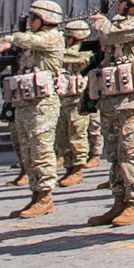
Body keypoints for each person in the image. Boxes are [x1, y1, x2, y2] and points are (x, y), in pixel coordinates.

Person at [87, 0, 134, 227]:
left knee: (129, 152)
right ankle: (119, 200)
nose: (117, 5)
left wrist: (101, 20)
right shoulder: (120, 23)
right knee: (114, 153)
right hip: (111, 98)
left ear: (132, 4)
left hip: (132, 101)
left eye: (120, 2)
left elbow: (111, 34)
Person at [0, 0, 65, 218]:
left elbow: (29, 40)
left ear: (45, 19)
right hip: (26, 103)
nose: (29, 22)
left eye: (33, 18)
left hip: (43, 105)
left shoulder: (52, 36)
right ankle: (35, 194)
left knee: (41, 150)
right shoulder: (31, 43)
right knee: (27, 151)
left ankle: (45, 196)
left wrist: (10, 38)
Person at [56, 16, 95, 186]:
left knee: (77, 134)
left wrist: (54, 49)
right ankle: (68, 167)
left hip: (78, 100)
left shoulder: (86, 51)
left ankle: (77, 169)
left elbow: (73, 57)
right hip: (64, 98)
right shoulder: (64, 51)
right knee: (62, 135)